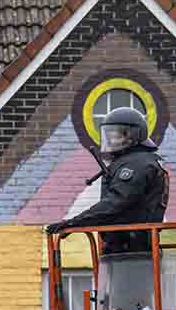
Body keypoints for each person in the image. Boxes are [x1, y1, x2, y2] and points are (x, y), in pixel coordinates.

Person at [45, 107, 169, 254]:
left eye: (118, 135)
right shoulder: (141, 160)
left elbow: (114, 204)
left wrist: (73, 223)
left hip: (132, 249)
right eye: (109, 135)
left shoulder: (138, 163)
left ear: (134, 135)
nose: (112, 140)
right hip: (131, 246)